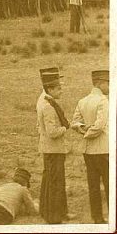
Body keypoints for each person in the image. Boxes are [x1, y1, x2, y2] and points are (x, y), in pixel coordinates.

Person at [71, 70, 109, 224]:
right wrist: (88, 133)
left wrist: (82, 129)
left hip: (88, 151)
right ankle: (114, 218)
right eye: (108, 83)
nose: (109, 86)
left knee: (93, 185)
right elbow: (100, 126)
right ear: (100, 83)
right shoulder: (103, 101)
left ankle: (97, 218)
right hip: (103, 149)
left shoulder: (82, 101)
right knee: (109, 184)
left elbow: (75, 122)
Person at [36, 67, 72, 224]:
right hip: (53, 149)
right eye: (58, 88)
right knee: (56, 182)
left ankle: (48, 211)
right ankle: (55, 217)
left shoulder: (44, 99)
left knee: (50, 180)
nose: (61, 91)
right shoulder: (48, 106)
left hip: (48, 148)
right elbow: (52, 132)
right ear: (49, 88)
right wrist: (65, 128)